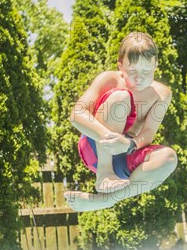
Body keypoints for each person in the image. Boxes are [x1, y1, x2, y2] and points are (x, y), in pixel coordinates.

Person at [64, 32, 178, 212]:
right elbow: (76, 115)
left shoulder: (162, 94)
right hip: (95, 150)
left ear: (155, 65)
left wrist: (128, 145)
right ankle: (104, 173)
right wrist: (109, 138)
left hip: (126, 155)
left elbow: (148, 133)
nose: (139, 78)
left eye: (146, 71)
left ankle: (106, 201)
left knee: (169, 158)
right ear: (120, 65)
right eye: (132, 71)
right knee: (121, 97)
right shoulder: (110, 79)